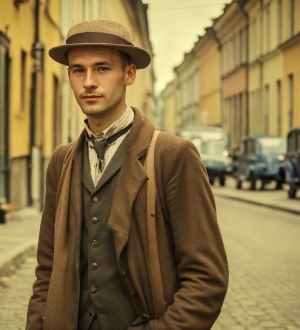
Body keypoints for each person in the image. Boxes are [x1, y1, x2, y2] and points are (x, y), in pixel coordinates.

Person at [26, 20, 228, 330]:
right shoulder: (62, 160)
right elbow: (47, 269)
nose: (88, 82)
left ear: (129, 74)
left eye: (102, 68)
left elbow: (207, 278)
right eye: (78, 70)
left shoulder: (172, 155)